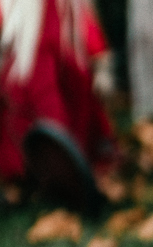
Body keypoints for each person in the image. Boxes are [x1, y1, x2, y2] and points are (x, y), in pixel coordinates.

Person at [0, 0, 116, 214]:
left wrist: (99, 62)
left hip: (63, 66)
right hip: (27, 68)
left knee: (64, 112)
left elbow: (85, 28)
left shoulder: (68, 6)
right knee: (33, 109)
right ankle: (27, 176)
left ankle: (69, 172)